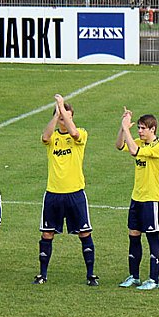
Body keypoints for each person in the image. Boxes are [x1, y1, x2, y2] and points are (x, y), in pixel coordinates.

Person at [33, 94, 98, 286]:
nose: (64, 120)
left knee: (84, 233)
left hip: (75, 193)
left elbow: (74, 133)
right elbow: (45, 137)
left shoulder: (81, 134)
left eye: (68, 117)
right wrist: (57, 113)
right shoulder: (52, 137)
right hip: (53, 193)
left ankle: (90, 275)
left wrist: (63, 110)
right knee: (47, 234)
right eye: (61, 117)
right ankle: (43, 274)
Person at [115, 108, 159, 290]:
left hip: (152, 199)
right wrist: (123, 128)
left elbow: (134, 151)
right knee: (134, 237)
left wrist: (126, 129)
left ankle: (154, 279)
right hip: (136, 197)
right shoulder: (139, 142)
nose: (140, 131)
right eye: (138, 128)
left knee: (152, 238)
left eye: (143, 128)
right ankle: (134, 276)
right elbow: (120, 145)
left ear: (153, 129)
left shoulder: (158, 147)